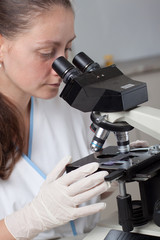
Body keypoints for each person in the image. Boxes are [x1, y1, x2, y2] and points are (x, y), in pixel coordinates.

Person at [0, 0, 113, 239]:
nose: (62, 68)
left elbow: (92, 195)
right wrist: (28, 221)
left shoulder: (69, 105)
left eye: (68, 48)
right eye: (46, 53)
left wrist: (114, 169)